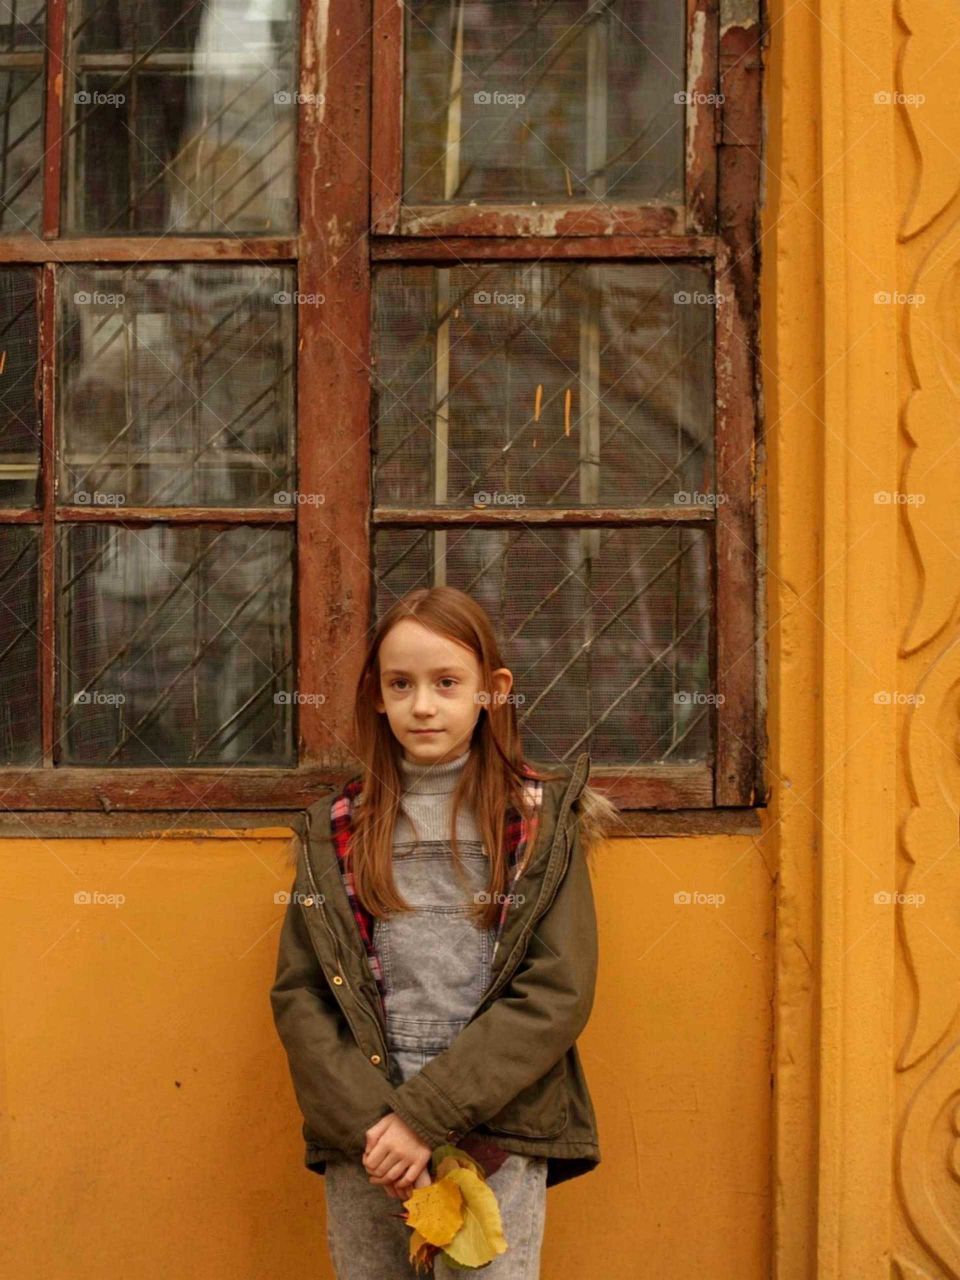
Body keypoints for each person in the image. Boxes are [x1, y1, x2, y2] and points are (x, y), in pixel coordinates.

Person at [270, 585, 618, 1277]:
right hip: (369, 1142)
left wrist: (426, 1117)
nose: (422, 705)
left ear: (492, 690)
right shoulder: (336, 828)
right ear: (376, 693)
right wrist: (378, 1128)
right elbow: (301, 996)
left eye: (447, 683)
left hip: (495, 1125)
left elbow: (557, 990)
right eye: (401, 684)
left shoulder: (539, 826)